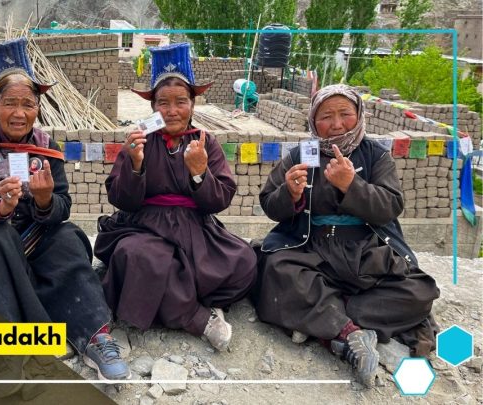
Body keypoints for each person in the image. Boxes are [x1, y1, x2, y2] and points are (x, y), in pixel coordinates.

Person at [0, 37, 129, 389]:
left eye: (28, 104)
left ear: (38, 108)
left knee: (68, 237)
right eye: (10, 103)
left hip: (35, 238)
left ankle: (95, 336)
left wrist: (45, 200)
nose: (19, 113)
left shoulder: (47, 148)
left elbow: (63, 205)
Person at [254, 84, 439, 387]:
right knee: (273, 268)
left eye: (345, 114)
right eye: (326, 116)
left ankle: (326, 316)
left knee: (420, 292)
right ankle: (349, 333)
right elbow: (269, 204)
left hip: (365, 248)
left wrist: (351, 185)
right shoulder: (302, 154)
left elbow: (391, 206)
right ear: (314, 121)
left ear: (359, 114)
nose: (337, 124)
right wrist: (290, 193)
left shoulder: (376, 155)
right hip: (311, 245)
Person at [94, 43, 258, 351]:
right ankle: (198, 318)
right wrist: (135, 165)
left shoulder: (206, 143)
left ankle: (165, 300)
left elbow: (220, 200)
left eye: (181, 102)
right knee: (137, 256)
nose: (172, 111)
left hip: (195, 228)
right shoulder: (139, 141)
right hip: (144, 227)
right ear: (153, 106)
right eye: (163, 103)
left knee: (245, 261)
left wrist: (199, 173)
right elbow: (121, 200)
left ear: (193, 104)